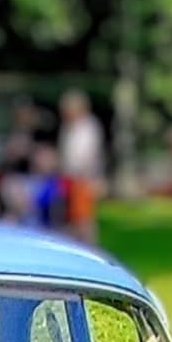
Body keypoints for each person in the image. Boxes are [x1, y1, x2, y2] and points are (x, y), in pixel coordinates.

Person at [57, 89, 105, 243]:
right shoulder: (68, 128)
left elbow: (87, 157)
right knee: (71, 219)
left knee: (84, 219)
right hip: (69, 178)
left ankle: (90, 247)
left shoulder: (89, 127)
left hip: (83, 179)